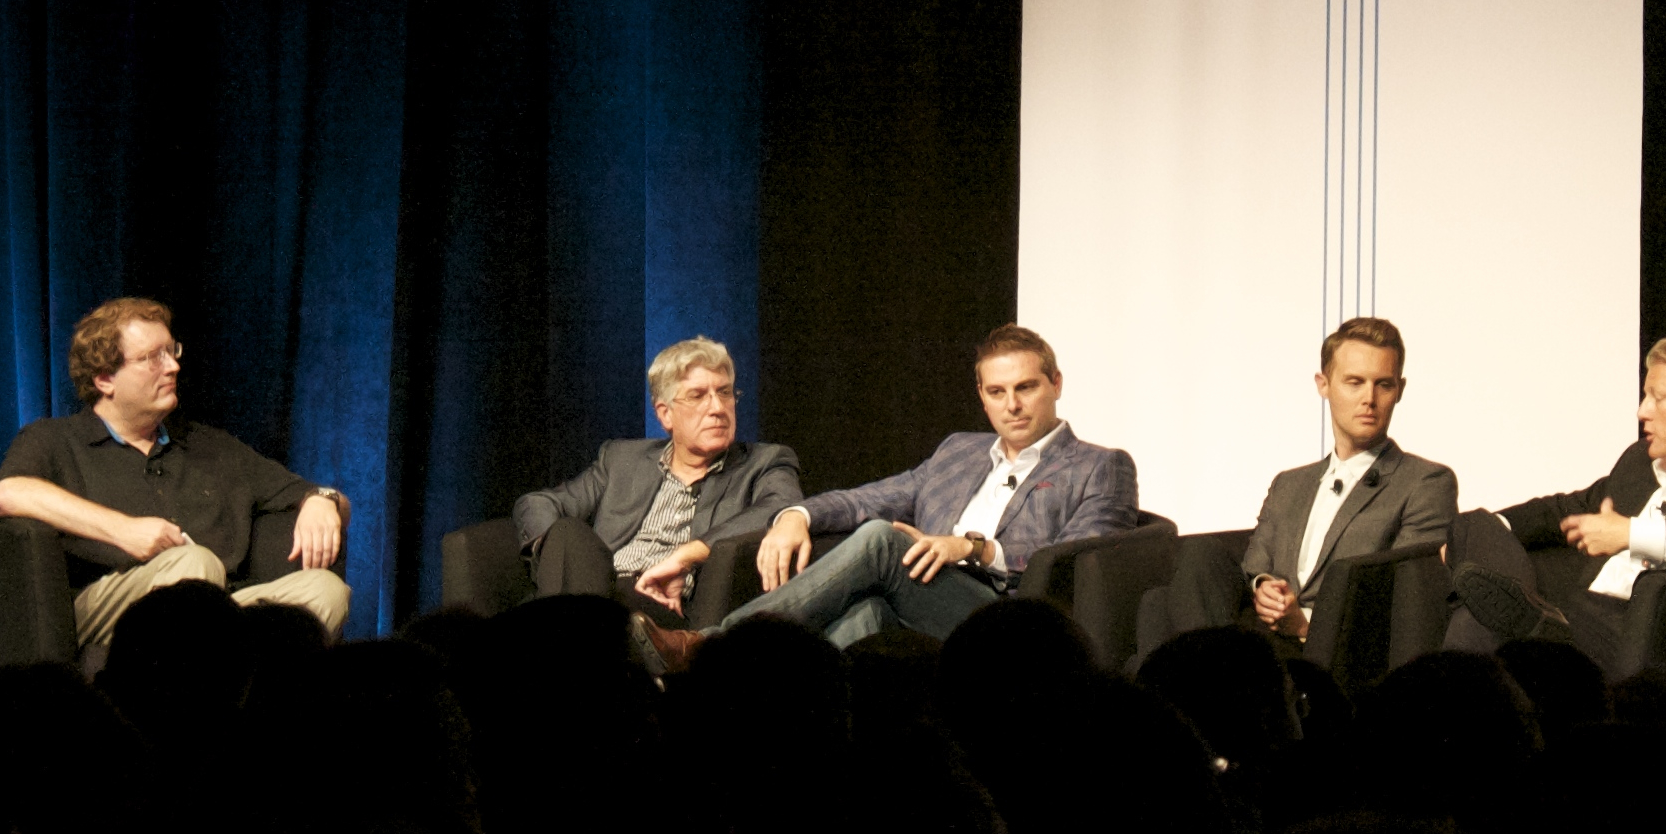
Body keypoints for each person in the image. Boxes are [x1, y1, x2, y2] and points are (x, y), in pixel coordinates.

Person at [646, 323, 1136, 663]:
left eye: (1026, 387)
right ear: (981, 395)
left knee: (881, 541)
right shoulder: (960, 451)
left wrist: (974, 547)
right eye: (996, 391)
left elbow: (1079, 559)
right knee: (867, 614)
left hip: (1017, 623)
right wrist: (796, 515)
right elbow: (870, 497)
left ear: (1056, 384)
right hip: (936, 604)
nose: (1012, 405)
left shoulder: (1101, 465)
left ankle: (711, 648)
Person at [0, 296, 351, 645]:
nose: (172, 366)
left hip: (218, 604)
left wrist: (323, 500)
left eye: (171, 351)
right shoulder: (56, 440)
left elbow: (312, 492)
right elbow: (7, 494)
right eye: (151, 358)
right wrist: (123, 530)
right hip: (112, 601)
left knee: (324, 590)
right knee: (194, 564)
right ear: (104, 379)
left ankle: (233, 688)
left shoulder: (212, 445)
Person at [1446, 329, 1666, 669]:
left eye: (1658, 398)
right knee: (1473, 533)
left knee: (1477, 622)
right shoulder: (1640, 461)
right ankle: (1529, 616)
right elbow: (1572, 507)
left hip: (1639, 638)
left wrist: (1632, 534)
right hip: (1573, 610)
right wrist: (1492, 528)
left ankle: (1528, 620)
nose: (1642, 411)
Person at [508, 336, 805, 611]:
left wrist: (688, 554)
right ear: (665, 414)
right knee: (567, 534)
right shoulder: (622, 459)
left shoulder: (765, 461)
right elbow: (538, 503)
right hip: (600, 587)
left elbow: (782, 507)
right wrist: (557, 558)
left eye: (724, 392)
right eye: (698, 395)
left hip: (663, 605)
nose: (717, 407)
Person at [1238, 315, 1458, 652]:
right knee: (1195, 564)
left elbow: (1398, 598)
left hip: (1339, 653)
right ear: (1323, 385)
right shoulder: (1289, 483)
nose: (1369, 398)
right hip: (1264, 642)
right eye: (1354, 382)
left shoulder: (1426, 482)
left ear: (1399, 390)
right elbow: (1255, 563)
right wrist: (1264, 586)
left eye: (1383, 384)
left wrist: (1303, 624)